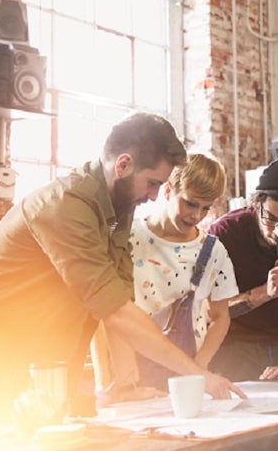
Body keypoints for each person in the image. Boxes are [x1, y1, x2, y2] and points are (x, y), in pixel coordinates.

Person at [0, 113, 244, 447]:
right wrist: (196, 374)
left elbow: (120, 299)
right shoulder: (66, 205)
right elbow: (114, 311)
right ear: (123, 165)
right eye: (152, 183)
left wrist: (125, 383)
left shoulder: (118, 209)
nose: (154, 195)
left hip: (22, 362)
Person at [91, 152, 240, 405]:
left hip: (186, 378)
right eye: (191, 203)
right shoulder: (125, 238)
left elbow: (221, 317)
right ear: (168, 190)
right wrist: (104, 380)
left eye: (206, 207)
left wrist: (197, 370)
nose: (196, 216)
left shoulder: (212, 251)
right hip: (128, 377)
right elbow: (100, 314)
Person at [207, 158, 278, 382]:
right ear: (256, 204)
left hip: (272, 343)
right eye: (270, 219)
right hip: (227, 346)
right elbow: (209, 313)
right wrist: (263, 293)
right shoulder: (224, 233)